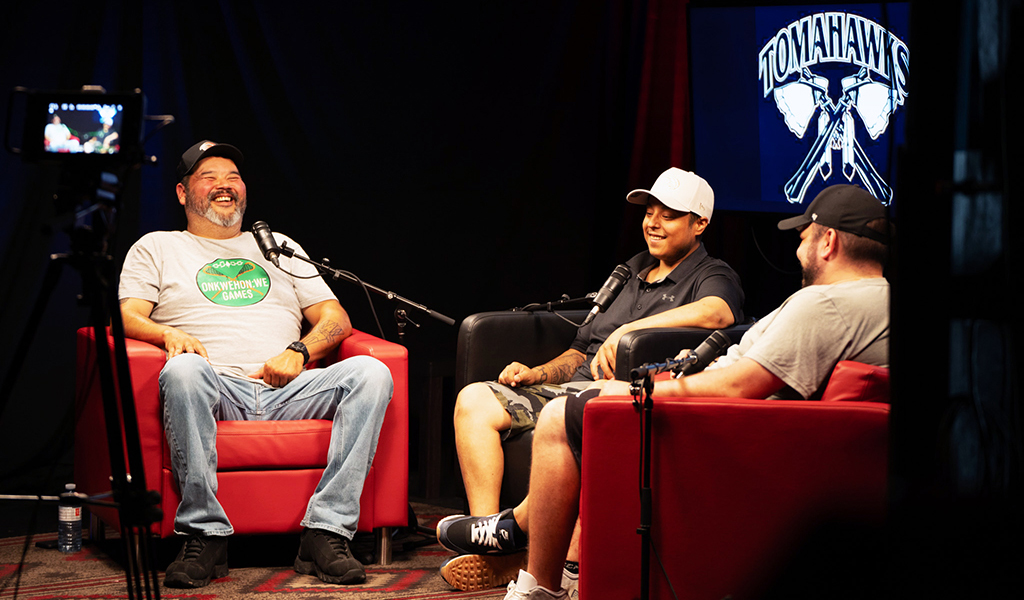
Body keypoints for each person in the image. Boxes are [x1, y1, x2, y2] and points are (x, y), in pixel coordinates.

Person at [499, 183, 892, 599]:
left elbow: (740, 385)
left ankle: (535, 583)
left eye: (802, 239)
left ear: (827, 241)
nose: (798, 251)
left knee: (564, 413)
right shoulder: (876, 300)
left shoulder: (826, 303)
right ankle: (532, 540)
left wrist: (642, 393)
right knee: (593, 396)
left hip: (730, 433)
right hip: (750, 425)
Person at [438, 168, 745, 592]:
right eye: (649, 211)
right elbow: (580, 350)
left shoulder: (712, 273)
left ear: (700, 224)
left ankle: (544, 554)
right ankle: (491, 543)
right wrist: (536, 373)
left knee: (575, 419)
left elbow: (719, 313)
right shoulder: (631, 269)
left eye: (668, 215)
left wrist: (626, 334)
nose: (652, 222)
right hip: (573, 385)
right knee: (474, 399)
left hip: (617, 397)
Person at [118, 140, 393, 589]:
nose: (224, 185)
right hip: (215, 384)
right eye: (209, 177)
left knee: (372, 373)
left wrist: (299, 352)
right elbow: (128, 314)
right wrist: (168, 334)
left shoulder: (277, 246)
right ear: (183, 193)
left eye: (233, 177)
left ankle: (326, 532)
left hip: (289, 386)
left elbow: (335, 318)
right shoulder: (158, 247)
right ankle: (204, 534)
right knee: (183, 371)